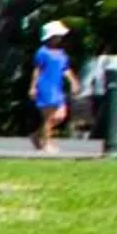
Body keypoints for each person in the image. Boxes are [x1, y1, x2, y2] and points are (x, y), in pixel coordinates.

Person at [33, 20, 78, 152]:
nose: (59, 39)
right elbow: (37, 70)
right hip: (46, 86)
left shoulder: (61, 54)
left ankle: (37, 135)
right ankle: (47, 143)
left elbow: (66, 69)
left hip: (58, 88)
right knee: (48, 117)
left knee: (60, 116)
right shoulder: (42, 52)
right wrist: (33, 86)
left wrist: (73, 81)